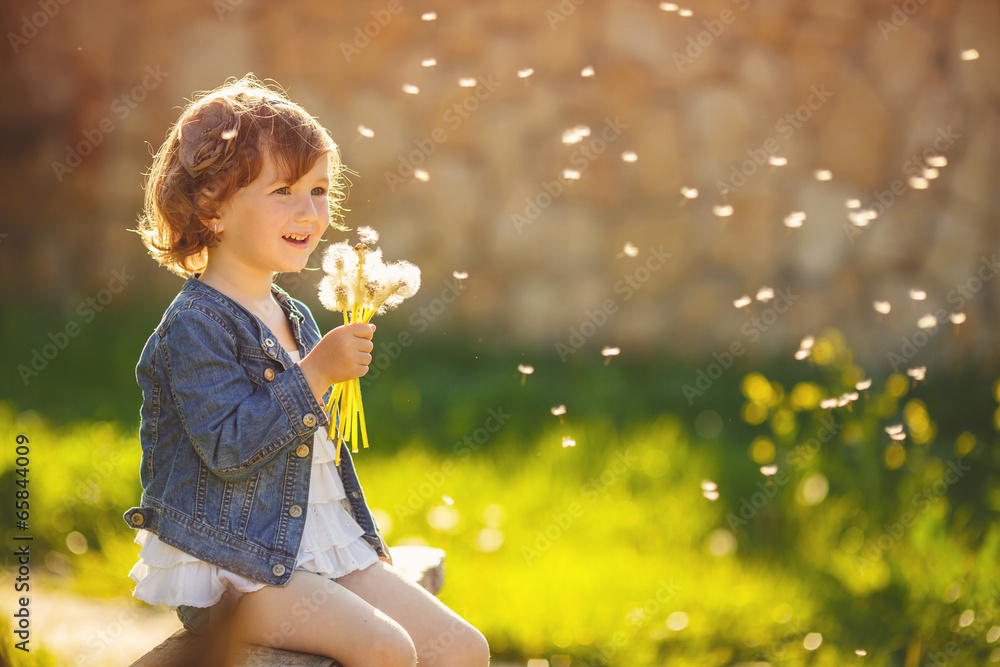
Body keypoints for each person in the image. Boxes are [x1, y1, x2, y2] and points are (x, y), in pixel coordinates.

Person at [123, 73, 489, 667]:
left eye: (320, 191)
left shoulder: (292, 315)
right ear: (212, 208)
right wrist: (316, 374)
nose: (310, 212)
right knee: (386, 648)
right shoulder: (196, 326)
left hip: (313, 547)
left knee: (463, 650)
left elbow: (318, 453)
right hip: (236, 570)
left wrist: (362, 540)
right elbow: (228, 445)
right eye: (284, 191)